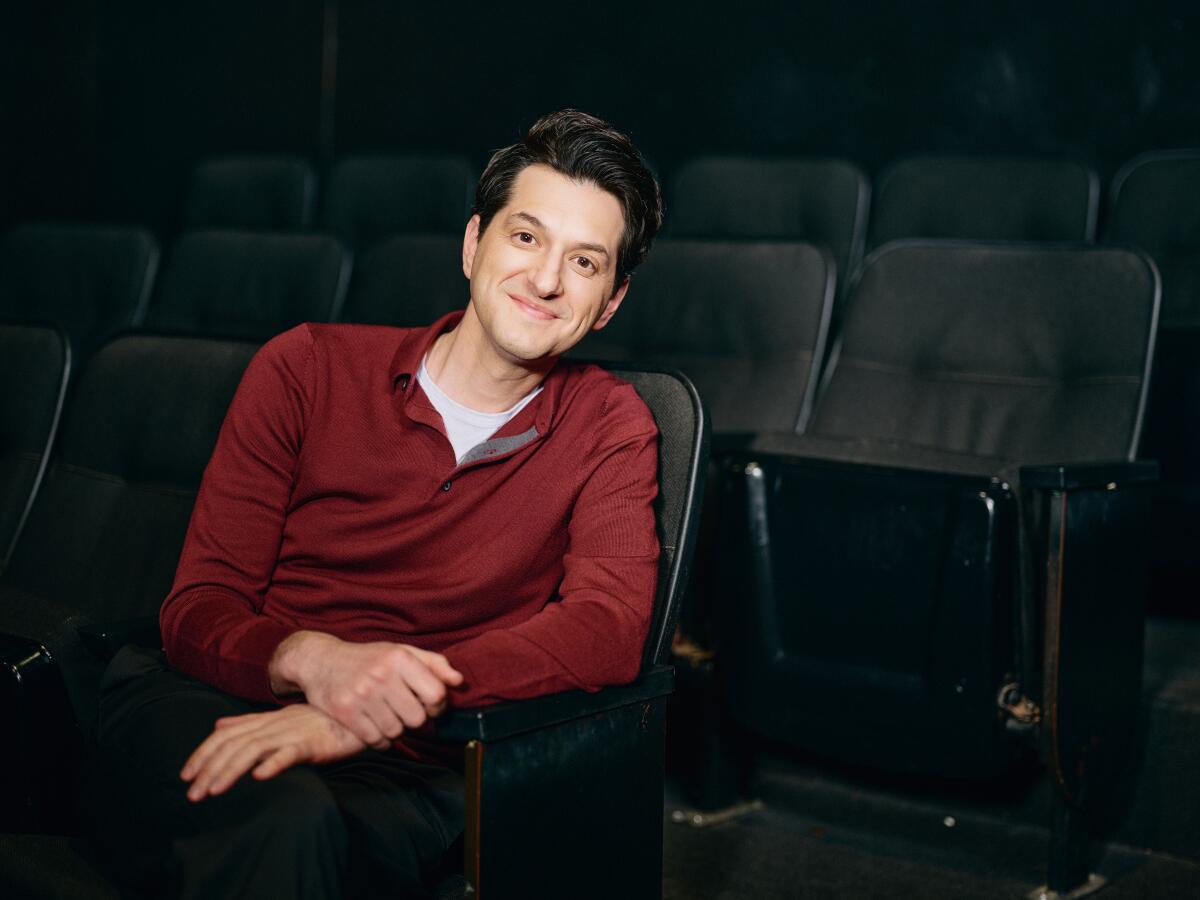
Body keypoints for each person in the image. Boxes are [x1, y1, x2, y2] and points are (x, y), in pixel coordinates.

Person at [90, 109, 664, 899]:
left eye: (586, 262)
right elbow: (199, 606)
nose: (546, 280)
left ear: (609, 303)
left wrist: (372, 708)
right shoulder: (305, 367)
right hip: (215, 701)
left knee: (306, 834)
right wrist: (313, 663)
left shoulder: (611, 424)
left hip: (417, 761)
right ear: (473, 244)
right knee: (276, 821)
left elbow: (607, 629)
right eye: (525, 238)